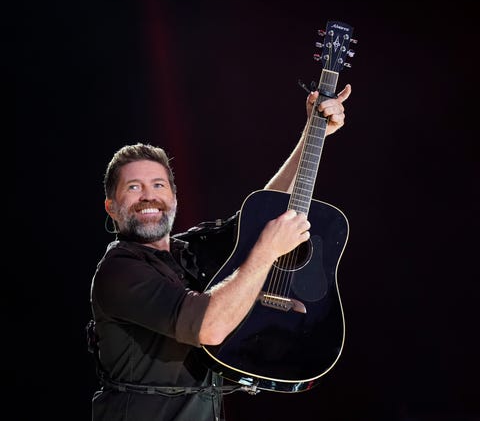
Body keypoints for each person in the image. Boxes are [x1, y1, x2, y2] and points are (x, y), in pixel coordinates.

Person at [87, 84, 352, 421]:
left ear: (173, 197)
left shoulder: (187, 251)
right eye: (133, 187)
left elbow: (259, 216)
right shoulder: (120, 270)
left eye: (158, 185)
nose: (148, 196)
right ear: (111, 207)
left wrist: (314, 135)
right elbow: (208, 327)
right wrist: (267, 251)